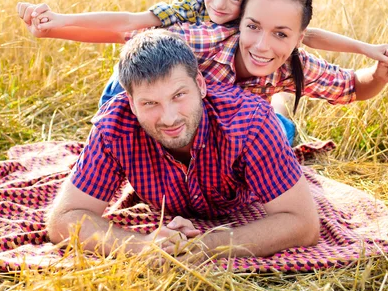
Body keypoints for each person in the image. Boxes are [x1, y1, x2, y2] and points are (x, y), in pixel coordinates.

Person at [17, 0, 388, 142]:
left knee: (278, 131)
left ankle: (277, 103)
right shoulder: (195, 23)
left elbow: (316, 45)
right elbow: (127, 28)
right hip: (160, 93)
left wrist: (372, 59)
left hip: (229, 110)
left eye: (279, 33)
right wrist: (56, 25)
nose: (220, 5)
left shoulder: (277, 39)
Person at [47, 30, 321, 259]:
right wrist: (141, 246)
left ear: (200, 85)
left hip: (259, 131)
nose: (169, 118)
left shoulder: (251, 122)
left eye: (179, 95)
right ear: (131, 103)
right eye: (150, 103)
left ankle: (281, 102)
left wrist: (208, 245)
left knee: (283, 126)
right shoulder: (114, 127)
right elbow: (63, 219)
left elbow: (304, 224)